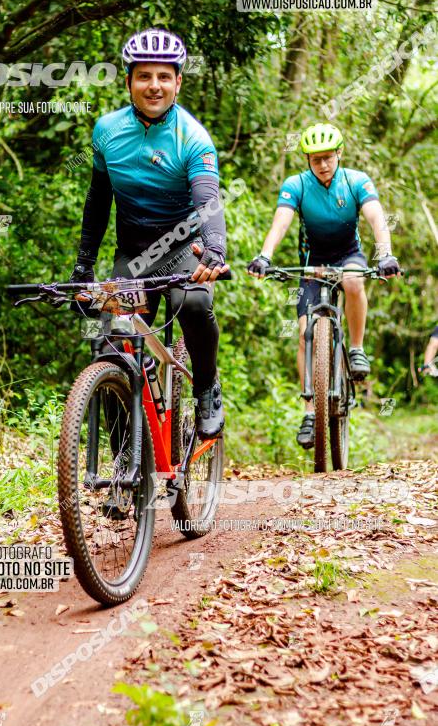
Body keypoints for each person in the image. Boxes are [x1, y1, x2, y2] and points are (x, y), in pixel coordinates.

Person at [67, 28, 229, 439]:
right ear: (128, 82)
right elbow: (98, 200)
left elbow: (208, 199)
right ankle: (125, 467)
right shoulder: (106, 131)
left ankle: (207, 387)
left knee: (192, 304)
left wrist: (215, 250)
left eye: (163, 76)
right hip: (134, 254)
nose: (153, 85)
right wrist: (83, 265)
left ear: (178, 82)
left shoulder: (192, 137)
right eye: (144, 76)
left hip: (182, 249)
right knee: (112, 346)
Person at [247, 123, 401, 449]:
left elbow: (375, 217)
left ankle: (356, 349)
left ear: (339, 154)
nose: (322, 165)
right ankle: (308, 411)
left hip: (349, 256)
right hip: (312, 262)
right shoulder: (296, 185)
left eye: (328, 157)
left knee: (353, 280)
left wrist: (385, 254)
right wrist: (264, 255)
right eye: (315, 159)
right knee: (305, 333)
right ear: (307, 159)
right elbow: (283, 219)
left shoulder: (356, 181)